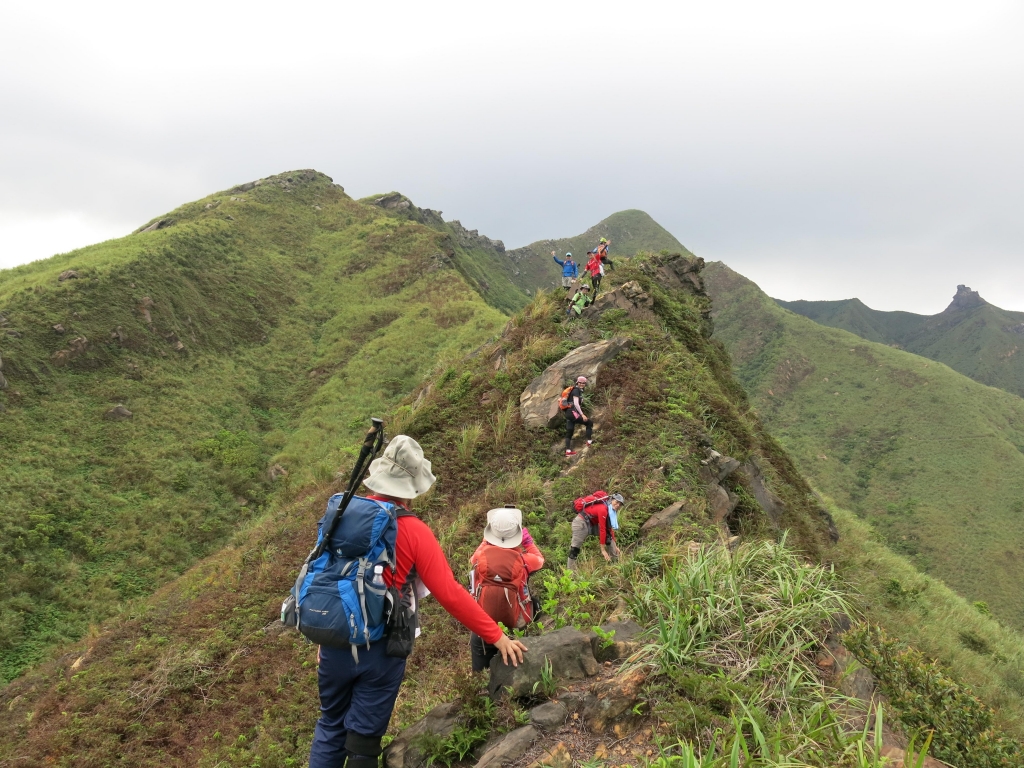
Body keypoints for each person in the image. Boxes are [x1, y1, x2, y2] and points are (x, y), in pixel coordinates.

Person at [308, 436, 528, 768]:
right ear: (413, 486)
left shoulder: (341, 512)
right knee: (363, 743)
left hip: (333, 642)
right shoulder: (412, 530)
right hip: (381, 648)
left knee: (330, 726)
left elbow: (325, 574)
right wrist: (495, 636)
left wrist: (327, 633)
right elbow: (450, 593)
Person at [468, 505, 545, 671]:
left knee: (480, 674)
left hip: (483, 626)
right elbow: (540, 559)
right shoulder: (525, 560)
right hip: (516, 625)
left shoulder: (479, 557)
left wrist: (487, 539)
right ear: (517, 535)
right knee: (516, 669)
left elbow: (474, 557)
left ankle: (478, 691)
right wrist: (528, 541)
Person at [568, 492, 625, 570]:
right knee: (574, 550)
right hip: (580, 523)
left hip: (591, 524)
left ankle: (615, 563)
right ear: (611, 500)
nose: (618, 505)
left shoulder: (610, 511)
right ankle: (570, 574)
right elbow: (602, 529)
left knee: (608, 536)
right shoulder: (603, 509)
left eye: (620, 504)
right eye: (617, 502)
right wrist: (602, 550)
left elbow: (609, 528)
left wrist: (615, 546)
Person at [564, 375, 592, 457]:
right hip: (572, 413)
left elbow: (574, 402)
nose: (582, 384)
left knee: (569, 431)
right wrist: (582, 414)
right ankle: (589, 441)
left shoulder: (573, 390)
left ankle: (568, 451)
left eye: (584, 383)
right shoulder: (576, 390)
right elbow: (576, 403)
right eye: (580, 382)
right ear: (577, 382)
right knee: (589, 423)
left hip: (568, 414)